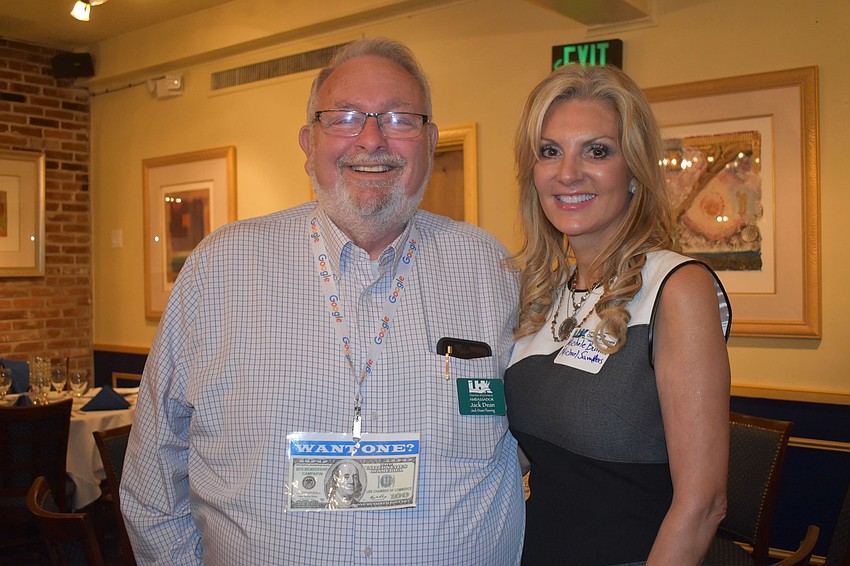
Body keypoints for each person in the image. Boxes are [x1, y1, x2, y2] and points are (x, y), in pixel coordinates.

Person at [121, 37, 524, 565]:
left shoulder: (490, 270)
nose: (372, 139)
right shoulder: (221, 269)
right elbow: (152, 476)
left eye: (399, 118)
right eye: (345, 117)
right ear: (308, 142)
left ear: (430, 141)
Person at [504, 64, 732, 565]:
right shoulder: (546, 295)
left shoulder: (677, 287)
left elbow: (704, 504)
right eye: (550, 151)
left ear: (634, 171)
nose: (568, 173)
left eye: (598, 151)